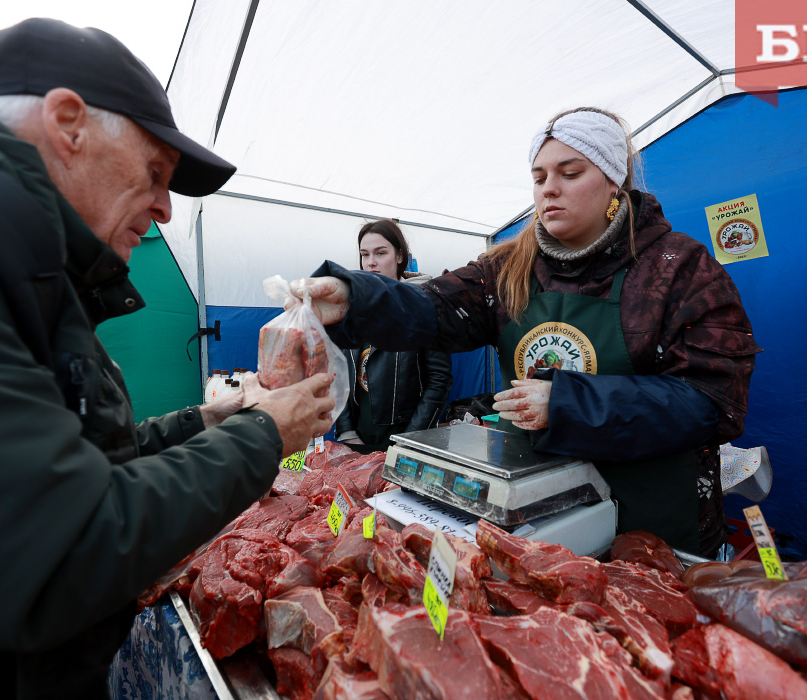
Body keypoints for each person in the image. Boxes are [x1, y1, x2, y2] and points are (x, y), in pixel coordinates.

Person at [0, 18, 333, 698]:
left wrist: (206, 422)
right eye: (156, 172)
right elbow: (53, 549)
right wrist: (264, 435)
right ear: (68, 123)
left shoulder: (6, 251)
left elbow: (66, 464)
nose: (165, 209)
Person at [291, 108, 760, 558]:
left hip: (651, 521)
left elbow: (713, 400)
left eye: (570, 174)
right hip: (537, 512)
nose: (548, 190)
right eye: (539, 178)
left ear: (613, 180)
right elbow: (434, 305)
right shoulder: (507, 266)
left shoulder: (679, 268)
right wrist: (356, 298)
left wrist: (565, 404)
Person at [335, 219, 453, 452]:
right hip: (359, 438)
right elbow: (338, 372)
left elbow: (439, 380)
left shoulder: (426, 306)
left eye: (380, 253)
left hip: (407, 438)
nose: (371, 263)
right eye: (364, 254)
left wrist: (409, 439)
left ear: (400, 256)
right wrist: (347, 430)